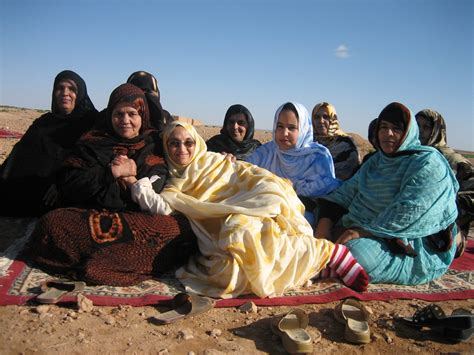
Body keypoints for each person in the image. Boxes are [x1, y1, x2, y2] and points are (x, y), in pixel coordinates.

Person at [119, 121, 368, 299]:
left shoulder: (214, 159)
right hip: (220, 227)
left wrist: (262, 196)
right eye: (174, 143)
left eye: (188, 142)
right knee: (228, 274)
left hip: (257, 201)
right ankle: (312, 264)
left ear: (197, 143)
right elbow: (162, 207)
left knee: (241, 229)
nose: (182, 149)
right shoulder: (172, 183)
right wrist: (135, 184)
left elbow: (246, 173)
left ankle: (329, 253)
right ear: (166, 146)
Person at [21, 83, 196, 286]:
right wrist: (111, 173)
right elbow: (71, 184)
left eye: (132, 114)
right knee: (52, 223)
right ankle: (118, 260)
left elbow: (156, 186)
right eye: (118, 114)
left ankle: (94, 261)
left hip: (138, 220)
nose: (125, 121)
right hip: (94, 215)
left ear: (143, 116)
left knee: (175, 229)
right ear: (109, 115)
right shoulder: (93, 141)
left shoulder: (154, 146)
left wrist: (130, 179)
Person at [315, 102, 460, 285]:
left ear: (408, 133)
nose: (388, 133)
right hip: (360, 228)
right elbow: (343, 194)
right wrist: (323, 227)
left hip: (413, 239)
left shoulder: (427, 163)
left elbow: (410, 211)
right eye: (384, 127)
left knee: (355, 256)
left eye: (396, 128)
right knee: (311, 227)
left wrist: (361, 232)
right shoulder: (375, 162)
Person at [0, 70, 97, 216]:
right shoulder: (43, 123)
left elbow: (92, 159)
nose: (65, 93)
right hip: (31, 189)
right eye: (60, 88)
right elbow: (18, 156)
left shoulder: (92, 124)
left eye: (72, 89)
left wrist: (62, 184)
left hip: (67, 189)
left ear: (80, 93)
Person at [246, 101, 341, 223]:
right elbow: (245, 167)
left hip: (301, 216)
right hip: (262, 209)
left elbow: (326, 188)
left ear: (302, 129)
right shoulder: (269, 151)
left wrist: (292, 187)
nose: (284, 133)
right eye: (280, 126)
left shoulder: (317, 156)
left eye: (291, 128)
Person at [415, 108, 473, 255]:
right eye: (417, 127)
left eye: (426, 127)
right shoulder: (413, 157)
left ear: (437, 131)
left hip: (446, 232)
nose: (420, 131)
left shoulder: (454, 161)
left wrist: (444, 207)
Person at [311, 102, 360, 180]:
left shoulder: (346, 143)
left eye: (325, 117)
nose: (321, 121)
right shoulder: (309, 143)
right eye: (317, 117)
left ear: (333, 119)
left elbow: (349, 173)